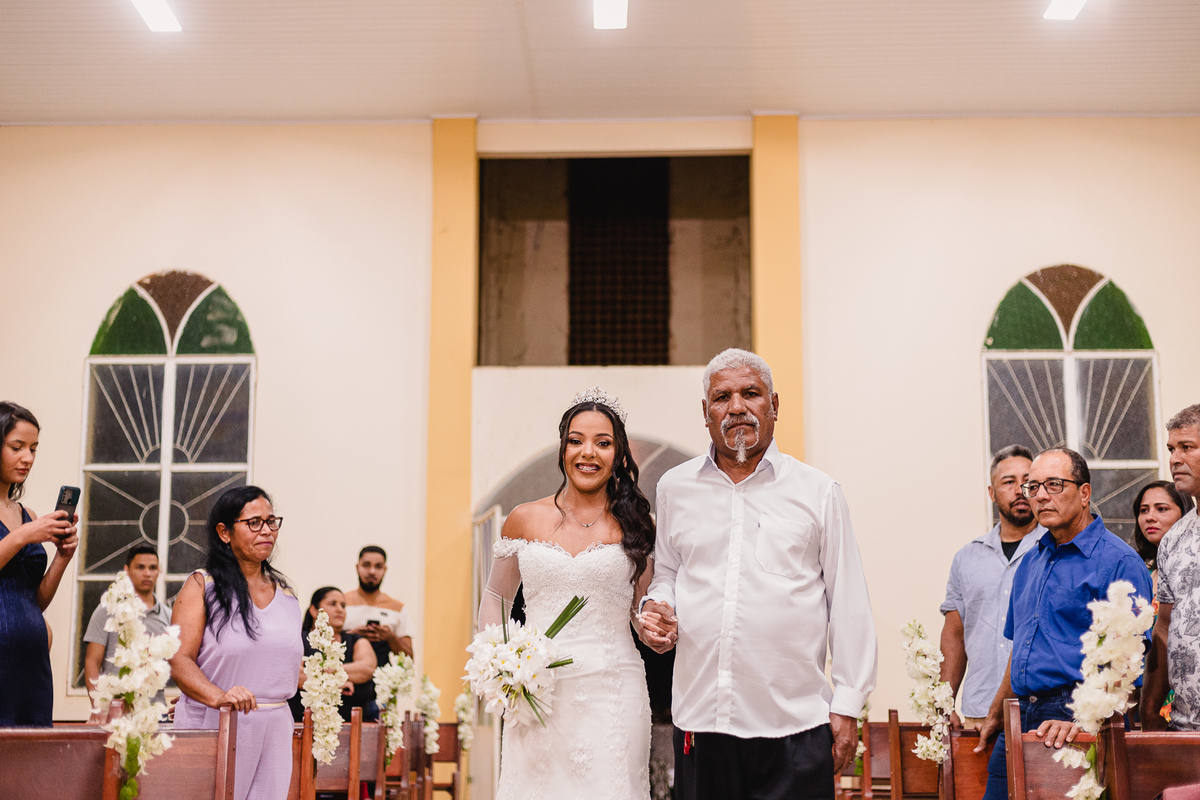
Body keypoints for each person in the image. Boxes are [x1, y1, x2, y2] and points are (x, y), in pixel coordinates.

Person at [637, 348, 877, 800]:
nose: (737, 407)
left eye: (751, 393)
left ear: (775, 405)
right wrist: (658, 605)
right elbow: (666, 571)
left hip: (795, 724)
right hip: (701, 721)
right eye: (722, 397)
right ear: (705, 413)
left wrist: (847, 704)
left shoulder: (818, 491)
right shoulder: (675, 487)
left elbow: (848, 601)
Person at [478, 387, 656, 800]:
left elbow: (641, 612)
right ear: (562, 450)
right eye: (576, 441)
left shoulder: (636, 525)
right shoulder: (525, 518)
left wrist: (657, 629)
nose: (587, 452)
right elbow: (497, 598)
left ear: (619, 456)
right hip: (536, 693)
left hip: (614, 691)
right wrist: (499, 665)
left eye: (603, 442)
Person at [975, 448, 1152, 800]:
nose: (1040, 495)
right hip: (1020, 712)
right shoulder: (1030, 563)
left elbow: (1129, 665)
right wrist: (995, 714)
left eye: (1053, 485)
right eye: (1033, 487)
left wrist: (1081, 720)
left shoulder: (1118, 561)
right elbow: (1021, 648)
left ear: (1084, 493)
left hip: (1076, 719)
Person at [170, 486, 302, 800]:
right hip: (219, 719)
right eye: (254, 523)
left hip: (276, 725)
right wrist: (219, 696)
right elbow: (178, 660)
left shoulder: (286, 593)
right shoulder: (203, 584)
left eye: (272, 521)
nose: (267, 530)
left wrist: (323, 679)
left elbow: (280, 665)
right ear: (225, 532)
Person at [939, 445, 1043, 729]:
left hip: (1041, 712)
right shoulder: (967, 557)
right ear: (992, 492)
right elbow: (955, 634)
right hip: (979, 710)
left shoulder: (1056, 549)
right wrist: (943, 703)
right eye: (1008, 482)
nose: (1020, 489)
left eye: (1027, 481)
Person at [0, 401, 79, 726]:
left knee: (32, 768)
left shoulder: (26, 514)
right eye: (16, 447)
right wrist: (24, 536)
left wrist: (62, 557)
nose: (28, 458)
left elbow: (34, 602)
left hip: (32, 664)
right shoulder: (28, 526)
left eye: (33, 449)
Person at [1142, 404, 1200, 731]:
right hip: (1184, 728)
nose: (1175, 459)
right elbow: (1162, 630)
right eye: (1171, 449)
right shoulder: (1174, 539)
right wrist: (1150, 716)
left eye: (1187, 447)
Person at [84, 543, 173, 719]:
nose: (147, 573)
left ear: (159, 571)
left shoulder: (169, 616)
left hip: (155, 714)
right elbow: (92, 662)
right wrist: (98, 708)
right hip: (115, 712)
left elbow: (180, 665)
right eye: (140, 567)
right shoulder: (107, 610)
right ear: (126, 570)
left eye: (153, 568)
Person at [288, 586, 380, 723]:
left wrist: (328, 678)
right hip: (304, 725)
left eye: (343, 605)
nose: (340, 609)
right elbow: (295, 674)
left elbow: (366, 668)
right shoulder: (298, 639)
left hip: (354, 726)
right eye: (333, 604)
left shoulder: (356, 641)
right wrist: (337, 683)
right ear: (314, 610)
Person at [344, 546, 414, 665]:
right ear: (357, 567)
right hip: (345, 675)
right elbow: (323, 646)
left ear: (385, 570)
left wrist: (391, 637)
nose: (372, 571)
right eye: (366, 565)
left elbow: (410, 659)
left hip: (382, 678)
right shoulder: (341, 603)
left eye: (378, 566)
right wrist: (352, 635)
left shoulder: (397, 608)